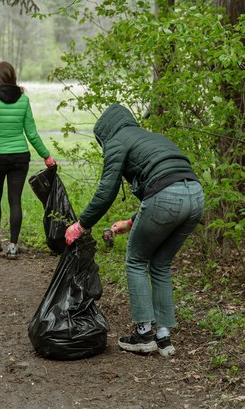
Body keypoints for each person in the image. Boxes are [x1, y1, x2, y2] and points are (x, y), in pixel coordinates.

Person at [64, 103, 204, 357]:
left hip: (166, 197)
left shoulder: (117, 141)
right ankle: (164, 337)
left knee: (136, 260)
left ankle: (143, 334)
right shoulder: (153, 137)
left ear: (104, 132)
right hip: (195, 196)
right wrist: (130, 221)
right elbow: (168, 182)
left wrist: (81, 224)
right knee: (160, 264)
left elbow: (107, 191)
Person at [0, 61, 56, 259]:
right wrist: (46, 156)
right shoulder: (23, 100)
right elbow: (31, 133)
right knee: (15, 200)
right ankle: (14, 246)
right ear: (13, 77)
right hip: (19, 157)